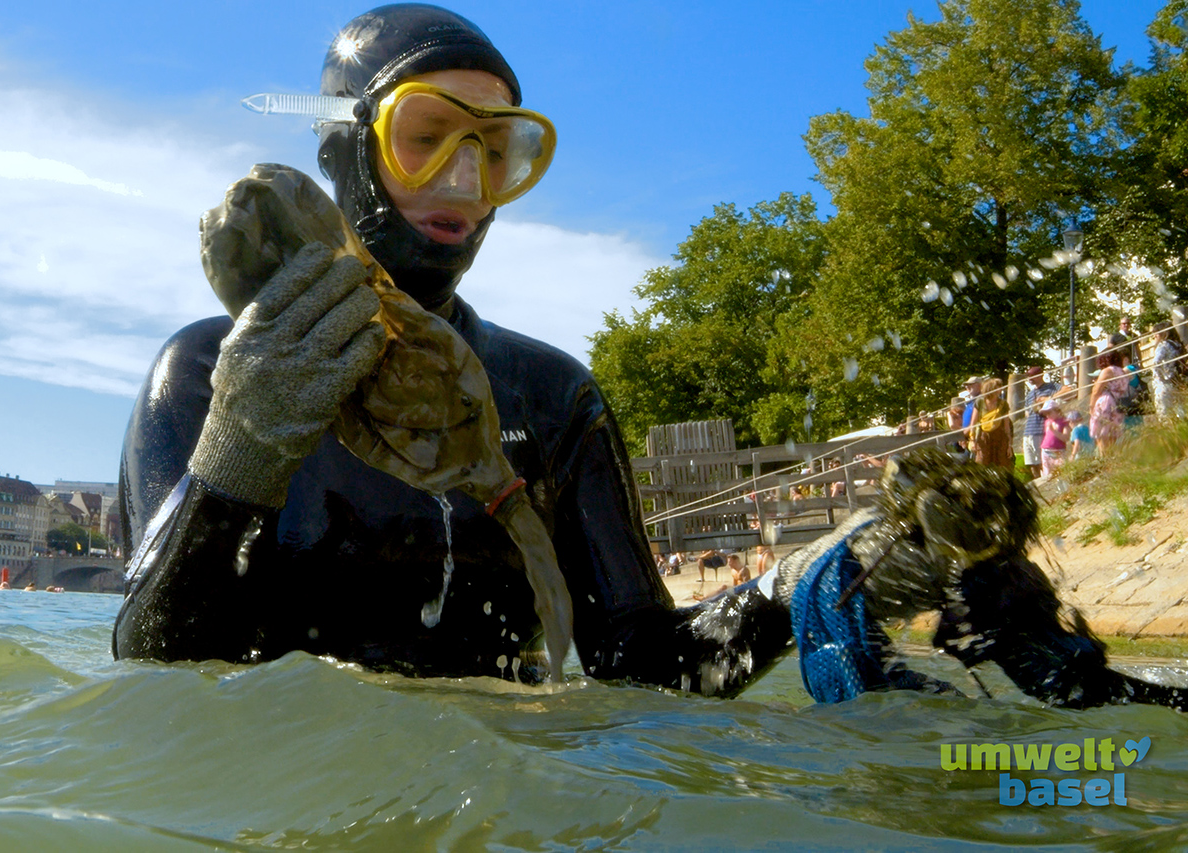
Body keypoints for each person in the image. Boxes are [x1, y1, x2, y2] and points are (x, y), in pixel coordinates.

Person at [111, 4, 792, 696]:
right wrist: (240, 451)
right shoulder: (203, 374)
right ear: (342, 151)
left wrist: (797, 593)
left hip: (500, 796)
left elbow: (643, 663)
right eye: (427, 136)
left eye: (496, 153)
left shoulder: (552, 398)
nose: (465, 183)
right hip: (285, 793)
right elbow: (155, 673)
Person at [1021, 366, 1059, 479]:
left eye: (1031, 376)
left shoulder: (1051, 387)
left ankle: (1046, 480)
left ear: (1040, 375)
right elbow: (1027, 414)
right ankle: (1038, 482)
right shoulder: (1029, 394)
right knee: (1031, 462)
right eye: (1028, 376)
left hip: (1041, 430)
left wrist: (1047, 399)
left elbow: (1068, 390)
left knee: (1043, 460)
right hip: (1028, 431)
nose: (1029, 379)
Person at [969, 378, 1013, 469]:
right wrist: (973, 441)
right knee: (982, 464)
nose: (1000, 390)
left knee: (1002, 465)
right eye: (997, 388)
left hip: (1000, 438)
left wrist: (1009, 445)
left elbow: (1006, 425)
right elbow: (973, 423)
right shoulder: (980, 402)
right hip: (984, 437)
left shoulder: (1003, 404)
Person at [1151, 320, 1185, 418]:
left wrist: (1160, 376)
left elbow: (1156, 362)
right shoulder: (1178, 345)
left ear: (1163, 333)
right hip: (1177, 382)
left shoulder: (1163, 345)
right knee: (1180, 413)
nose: (1154, 335)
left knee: (1164, 415)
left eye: (1156, 333)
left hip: (1163, 383)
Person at [1089, 366, 1125, 457]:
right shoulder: (1121, 375)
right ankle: (1109, 458)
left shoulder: (1104, 396)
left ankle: (1104, 458)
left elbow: (1095, 391)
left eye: (1095, 378)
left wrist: (1091, 406)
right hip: (1115, 406)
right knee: (1111, 434)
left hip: (1105, 406)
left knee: (1102, 434)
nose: (1093, 381)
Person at [1039, 399, 1069, 480]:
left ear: (1057, 410)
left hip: (1058, 451)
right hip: (1046, 450)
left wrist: (1054, 431)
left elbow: (1066, 438)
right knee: (1047, 474)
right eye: (1045, 413)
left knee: (1062, 471)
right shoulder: (1047, 421)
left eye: (1049, 412)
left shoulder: (1063, 421)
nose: (1047, 415)